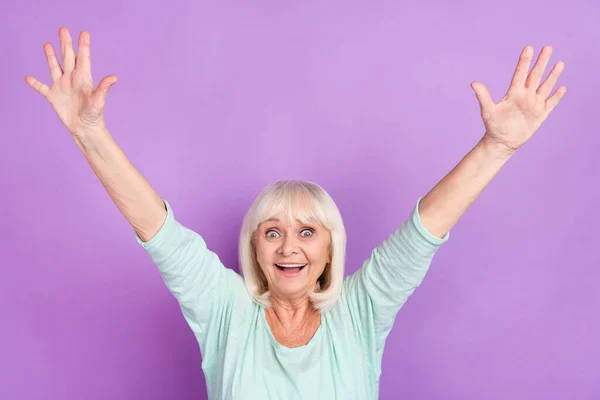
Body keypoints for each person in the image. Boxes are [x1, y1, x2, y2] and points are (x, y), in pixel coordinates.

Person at [25, 27, 566, 400]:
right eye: (273, 232)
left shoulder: (360, 311)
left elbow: (423, 232)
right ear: (254, 248)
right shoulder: (226, 311)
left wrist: (496, 147)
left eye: (308, 232)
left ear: (329, 247)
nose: (289, 247)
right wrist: (90, 133)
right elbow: (159, 231)